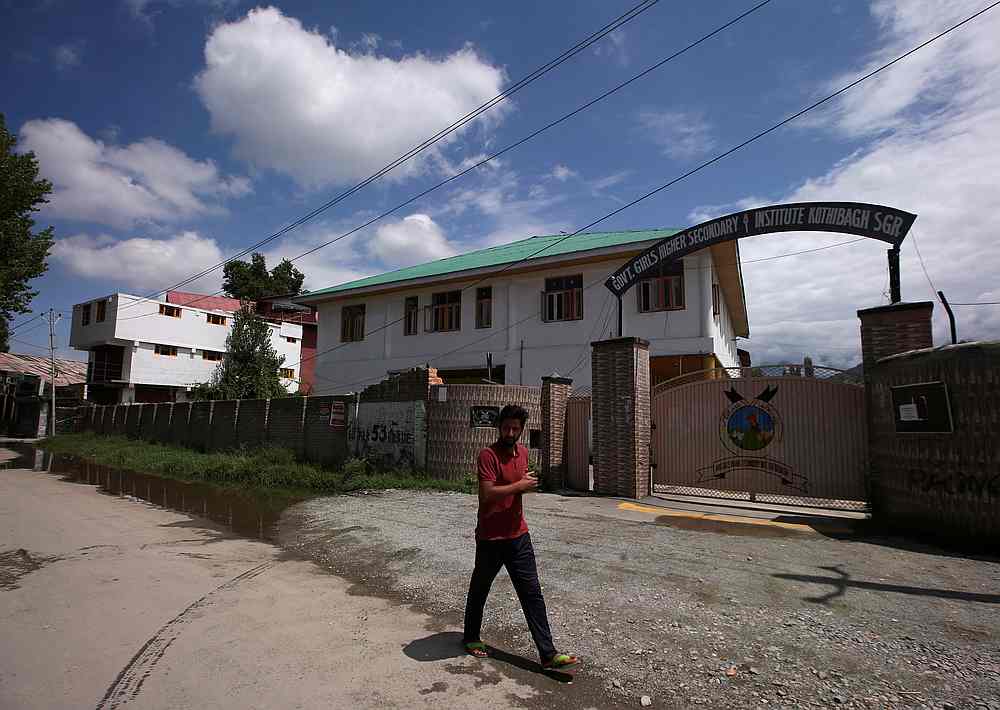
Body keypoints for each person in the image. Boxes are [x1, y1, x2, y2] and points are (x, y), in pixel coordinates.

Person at [462, 404, 578, 670]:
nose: (510, 432)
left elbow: (516, 488)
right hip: (491, 538)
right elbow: (487, 494)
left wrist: (521, 486)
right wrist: (520, 486)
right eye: (506, 428)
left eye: (515, 428)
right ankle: (470, 638)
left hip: (518, 536)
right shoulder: (488, 455)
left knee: (532, 593)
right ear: (499, 428)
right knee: (480, 589)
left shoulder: (523, 453)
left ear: (522, 430)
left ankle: (548, 654)